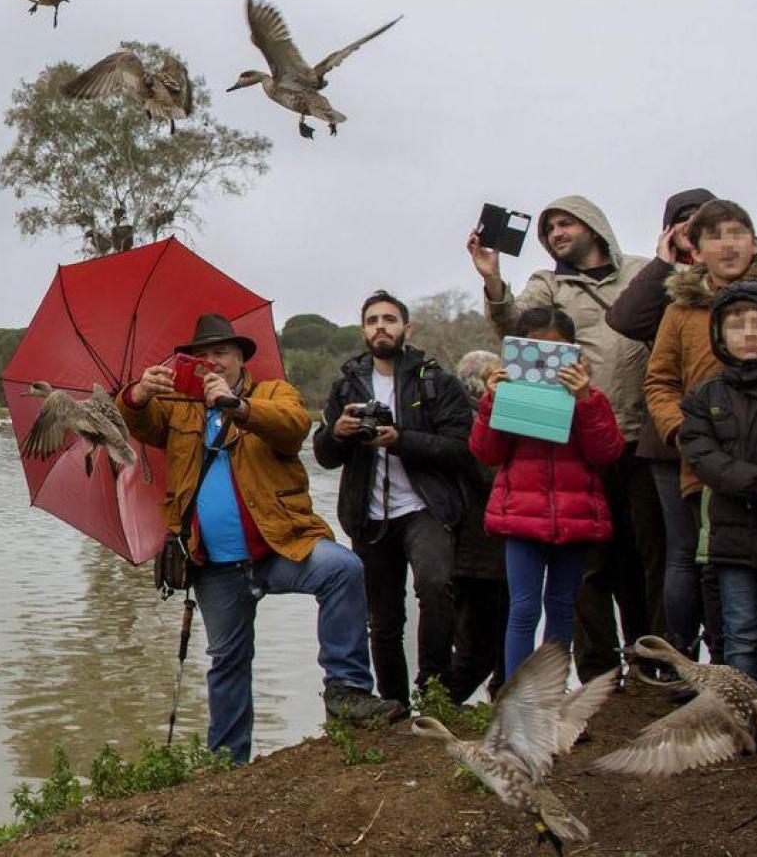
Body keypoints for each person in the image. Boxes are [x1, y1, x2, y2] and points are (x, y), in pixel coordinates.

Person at [119, 313, 402, 764]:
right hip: (211, 562)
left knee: (343, 569)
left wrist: (236, 406)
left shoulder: (273, 392)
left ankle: (346, 693)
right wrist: (138, 394)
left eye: (221, 353)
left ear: (239, 359)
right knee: (227, 663)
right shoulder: (176, 404)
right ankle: (227, 764)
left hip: (281, 546)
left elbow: (293, 427)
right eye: (202, 355)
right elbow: (135, 422)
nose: (210, 362)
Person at [467, 194, 658, 680]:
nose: (556, 232)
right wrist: (491, 278)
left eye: (565, 222)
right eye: (548, 227)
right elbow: (517, 327)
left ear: (594, 225)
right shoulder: (547, 283)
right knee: (575, 588)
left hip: (632, 430)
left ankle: (646, 670)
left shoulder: (641, 271)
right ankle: (591, 676)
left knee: (641, 562)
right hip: (555, 443)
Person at [313, 291, 475, 711]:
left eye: (389, 319)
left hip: (425, 507)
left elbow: (461, 449)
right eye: (372, 320)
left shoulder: (436, 380)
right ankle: (393, 702)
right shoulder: (346, 384)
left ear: (407, 327)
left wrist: (402, 440)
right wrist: (339, 433)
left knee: (436, 588)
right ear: (363, 329)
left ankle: (436, 690)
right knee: (382, 619)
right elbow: (324, 457)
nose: (380, 326)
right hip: (369, 516)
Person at [644, 200, 757, 660]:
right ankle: (698, 669)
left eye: (737, 233)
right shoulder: (681, 310)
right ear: (696, 250)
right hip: (703, 458)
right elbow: (659, 379)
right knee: (698, 564)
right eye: (715, 236)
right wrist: (683, 432)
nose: (728, 245)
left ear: (755, 242)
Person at [469, 308, 625, 680]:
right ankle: (514, 697)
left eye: (558, 351)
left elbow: (607, 453)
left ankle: (550, 696)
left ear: (574, 352)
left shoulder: (591, 398)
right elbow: (486, 453)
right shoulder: (505, 393)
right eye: (536, 349)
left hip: (574, 520)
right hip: (521, 519)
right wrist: (491, 402)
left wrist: (584, 399)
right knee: (523, 609)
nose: (547, 360)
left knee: (561, 607)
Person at [606, 188, 716, 660]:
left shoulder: (742, 275)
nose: (693, 231)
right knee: (680, 552)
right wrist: (663, 262)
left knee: (728, 554)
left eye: (703, 222)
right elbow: (626, 318)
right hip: (671, 440)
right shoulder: (669, 287)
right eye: (683, 222)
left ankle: (733, 657)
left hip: (740, 438)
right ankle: (679, 657)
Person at [677, 283, 757, 688]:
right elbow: (704, 457)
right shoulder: (705, 396)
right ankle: (742, 725)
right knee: (742, 636)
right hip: (733, 540)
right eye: (737, 325)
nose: (749, 334)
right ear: (719, 333)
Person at [440, 349, 507, 703]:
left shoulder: (461, 420)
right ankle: (442, 704)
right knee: (478, 646)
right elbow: (489, 474)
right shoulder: (472, 424)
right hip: (479, 553)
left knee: (489, 640)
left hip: (483, 551)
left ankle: (451, 700)